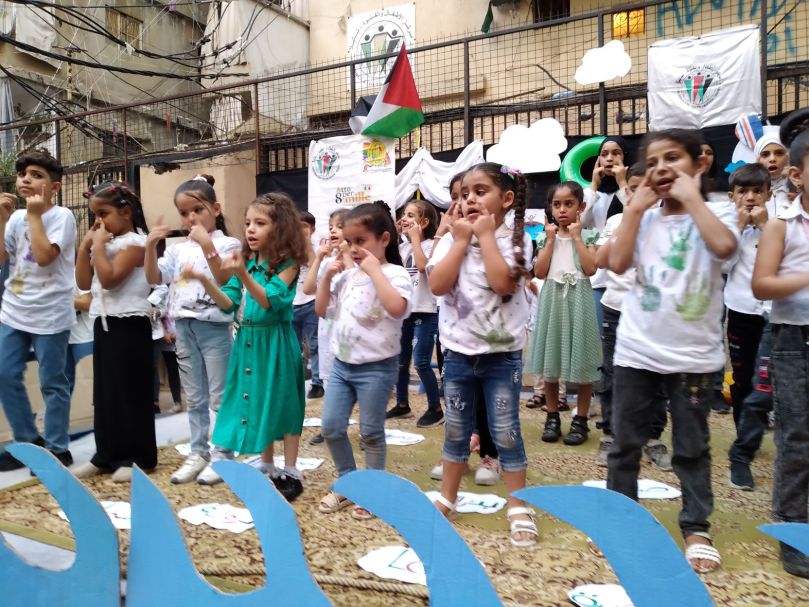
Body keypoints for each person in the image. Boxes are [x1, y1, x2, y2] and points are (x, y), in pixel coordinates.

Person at [607, 128, 738, 574]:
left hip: (693, 359)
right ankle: (622, 519)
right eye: (653, 162)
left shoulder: (718, 213)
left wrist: (694, 199)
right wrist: (633, 209)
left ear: (700, 163)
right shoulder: (643, 218)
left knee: (691, 446)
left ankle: (696, 526)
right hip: (637, 351)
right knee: (625, 442)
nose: (662, 168)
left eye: (673, 159)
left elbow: (725, 247)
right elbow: (618, 263)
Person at [427, 162, 536, 547]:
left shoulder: (517, 242)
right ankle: (448, 497)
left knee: (505, 430)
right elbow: (437, 285)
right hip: (457, 355)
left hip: (501, 358)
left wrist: (485, 236)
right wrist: (459, 242)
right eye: (463, 194)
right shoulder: (451, 240)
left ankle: (519, 505)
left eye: (479, 191)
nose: (469, 199)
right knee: (457, 429)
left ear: (506, 199)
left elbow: (503, 283)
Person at [183, 192, 309, 501]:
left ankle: (290, 469)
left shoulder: (289, 263)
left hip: (275, 343)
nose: (251, 229)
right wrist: (204, 280)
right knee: (258, 401)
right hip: (247, 342)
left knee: (284, 403)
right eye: (248, 222)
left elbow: (268, 300)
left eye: (260, 223)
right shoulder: (248, 261)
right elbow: (228, 303)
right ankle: (266, 463)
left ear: (280, 227)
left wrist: (240, 273)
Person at [316, 202, 412, 521]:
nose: (354, 249)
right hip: (342, 366)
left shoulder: (395, 273)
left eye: (361, 241)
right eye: (349, 241)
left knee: (371, 432)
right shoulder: (348, 276)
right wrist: (328, 278)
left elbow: (397, 308)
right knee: (331, 427)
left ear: (384, 239)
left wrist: (374, 271)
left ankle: (373, 490)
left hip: (376, 368)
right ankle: (349, 482)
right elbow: (321, 310)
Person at [144, 175, 241, 485]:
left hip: (214, 328)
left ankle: (223, 453)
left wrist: (206, 244)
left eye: (197, 210)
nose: (190, 218)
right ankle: (198, 451)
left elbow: (224, 279)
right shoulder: (177, 250)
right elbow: (154, 278)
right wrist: (150, 246)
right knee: (195, 396)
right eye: (184, 213)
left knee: (219, 395)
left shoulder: (228, 244)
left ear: (215, 209)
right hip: (184, 327)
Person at [751, 108, 809, 579]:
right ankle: (793, 528)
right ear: (796, 175)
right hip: (795, 339)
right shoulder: (782, 225)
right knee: (797, 435)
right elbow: (762, 284)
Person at [73, 182, 155, 483]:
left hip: (130, 324)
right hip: (104, 322)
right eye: (94, 216)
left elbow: (109, 280)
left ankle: (137, 457)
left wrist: (96, 246)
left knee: (129, 391)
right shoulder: (104, 243)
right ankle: (105, 454)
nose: (98, 223)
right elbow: (84, 282)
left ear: (126, 212)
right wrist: (85, 247)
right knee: (106, 393)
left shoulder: (136, 243)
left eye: (103, 214)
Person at [0, 149, 76, 471]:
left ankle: (58, 448)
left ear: (54, 187)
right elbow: (2, 258)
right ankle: (29, 442)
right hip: (14, 310)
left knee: (52, 382)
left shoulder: (63, 217)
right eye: (23, 175)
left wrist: (33, 215)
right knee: (3, 373)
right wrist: (2, 218)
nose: (26, 180)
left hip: (51, 313)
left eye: (36, 175)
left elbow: (45, 257)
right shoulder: (17, 218)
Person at [593, 163, 671, 470]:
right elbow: (600, 260)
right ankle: (610, 435)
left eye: (647, 189)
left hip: (655, 313)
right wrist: (629, 219)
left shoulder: (669, 222)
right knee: (611, 376)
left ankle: (653, 437)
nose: (640, 195)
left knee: (657, 378)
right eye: (634, 189)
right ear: (626, 191)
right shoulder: (616, 220)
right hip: (616, 308)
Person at [527, 181, 602, 446]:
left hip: (579, 299)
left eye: (569, 204)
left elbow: (590, 268)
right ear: (550, 208)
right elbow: (539, 272)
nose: (562, 210)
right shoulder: (545, 237)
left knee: (583, 364)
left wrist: (578, 237)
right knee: (551, 361)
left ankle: (580, 419)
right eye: (556, 205)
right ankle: (552, 416)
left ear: (581, 207)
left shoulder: (589, 236)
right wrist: (549, 241)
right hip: (552, 300)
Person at [723, 163, 774, 490]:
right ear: (732, 196)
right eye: (743, 192)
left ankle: (743, 450)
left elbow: (787, 262)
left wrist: (767, 227)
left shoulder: (779, 224)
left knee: (763, 383)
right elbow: (722, 266)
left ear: (769, 193)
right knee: (741, 380)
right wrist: (739, 229)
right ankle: (744, 434)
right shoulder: (728, 226)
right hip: (741, 309)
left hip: (773, 312)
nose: (751, 198)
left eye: (757, 191)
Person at [386, 199, 443, 428]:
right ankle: (402, 404)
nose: (405, 219)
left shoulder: (430, 245)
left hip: (426, 310)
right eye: (404, 215)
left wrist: (416, 240)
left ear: (424, 222)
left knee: (420, 362)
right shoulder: (402, 247)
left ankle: (435, 408)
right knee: (400, 361)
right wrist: (395, 235)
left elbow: (422, 267)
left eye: (411, 215)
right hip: (406, 311)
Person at [301, 208, 352, 445]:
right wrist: (320, 258)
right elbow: (308, 288)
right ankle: (330, 426)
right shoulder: (327, 262)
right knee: (331, 379)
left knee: (356, 383)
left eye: (339, 226)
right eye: (331, 226)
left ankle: (366, 429)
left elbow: (355, 284)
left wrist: (346, 254)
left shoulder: (359, 262)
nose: (333, 230)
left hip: (349, 334)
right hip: (327, 331)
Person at [582, 136, 631, 327]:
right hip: (598, 275)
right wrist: (594, 185)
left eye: (616, 153)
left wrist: (623, 183)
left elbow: (636, 212)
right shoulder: (593, 194)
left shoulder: (634, 188)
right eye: (604, 154)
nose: (609, 159)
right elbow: (580, 221)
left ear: (625, 157)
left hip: (625, 276)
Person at [293, 211, 323, 400]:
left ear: (312, 229)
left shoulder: (318, 248)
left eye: (304, 226)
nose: (300, 230)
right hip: (291, 303)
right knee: (293, 346)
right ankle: (294, 381)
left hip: (311, 302)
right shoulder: (288, 247)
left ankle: (317, 383)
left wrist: (307, 244)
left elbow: (313, 264)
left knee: (315, 344)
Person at [65, 286, 93, 400]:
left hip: (84, 336)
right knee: (64, 385)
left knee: (89, 382)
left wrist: (59, 299)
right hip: (59, 336)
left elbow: (87, 304)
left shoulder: (74, 276)